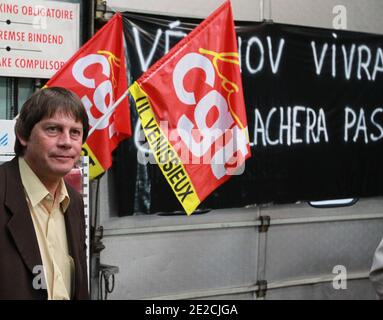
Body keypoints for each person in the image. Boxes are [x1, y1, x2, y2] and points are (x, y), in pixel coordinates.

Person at [0, 87, 89, 300]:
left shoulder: (74, 202)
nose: (66, 142)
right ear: (23, 135)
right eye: (53, 129)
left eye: (75, 132)